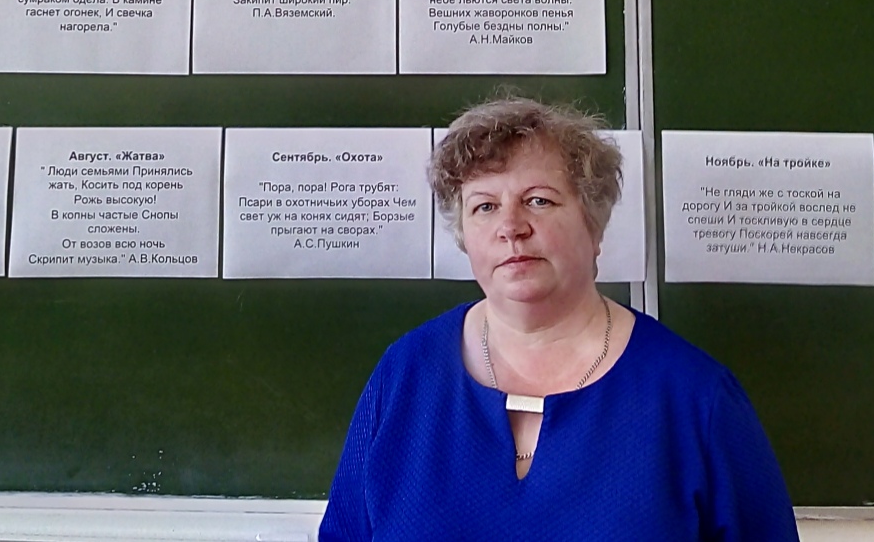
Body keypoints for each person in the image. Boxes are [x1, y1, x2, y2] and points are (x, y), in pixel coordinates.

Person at [319, 96, 798, 541]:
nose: (511, 227)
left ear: (593, 222)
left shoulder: (696, 398)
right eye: (484, 206)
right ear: (464, 234)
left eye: (538, 200)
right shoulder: (404, 376)